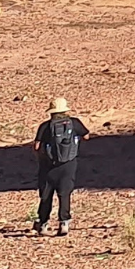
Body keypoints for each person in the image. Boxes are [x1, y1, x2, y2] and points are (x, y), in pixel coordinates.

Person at [31, 98, 89, 236]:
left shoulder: (45, 126)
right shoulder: (74, 123)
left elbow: (37, 146)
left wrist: (41, 156)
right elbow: (86, 136)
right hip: (69, 164)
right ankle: (64, 223)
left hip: (48, 166)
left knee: (46, 194)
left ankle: (43, 224)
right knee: (65, 193)